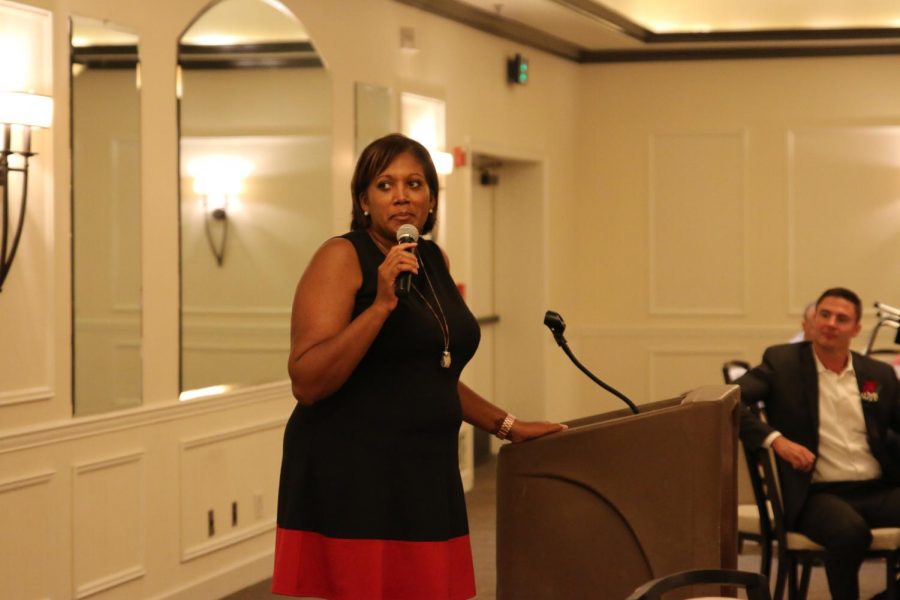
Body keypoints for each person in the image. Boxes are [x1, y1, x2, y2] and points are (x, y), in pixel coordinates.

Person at [271, 133, 566, 600]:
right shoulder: (341, 258)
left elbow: (432, 373)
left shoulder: (432, 259)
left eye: (415, 184)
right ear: (363, 200)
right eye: (385, 185)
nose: (402, 196)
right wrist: (379, 306)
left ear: (431, 200)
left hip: (425, 468)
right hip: (353, 468)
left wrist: (507, 426)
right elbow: (307, 382)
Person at [738, 287, 900, 600]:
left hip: (875, 488)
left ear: (855, 329)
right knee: (850, 533)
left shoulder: (875, 373)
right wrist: (776, 440)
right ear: (812, 321)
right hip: (814, 493)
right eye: (823, 314)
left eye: (841, 318)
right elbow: (732, 400)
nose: (830, 323)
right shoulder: (782, 362)